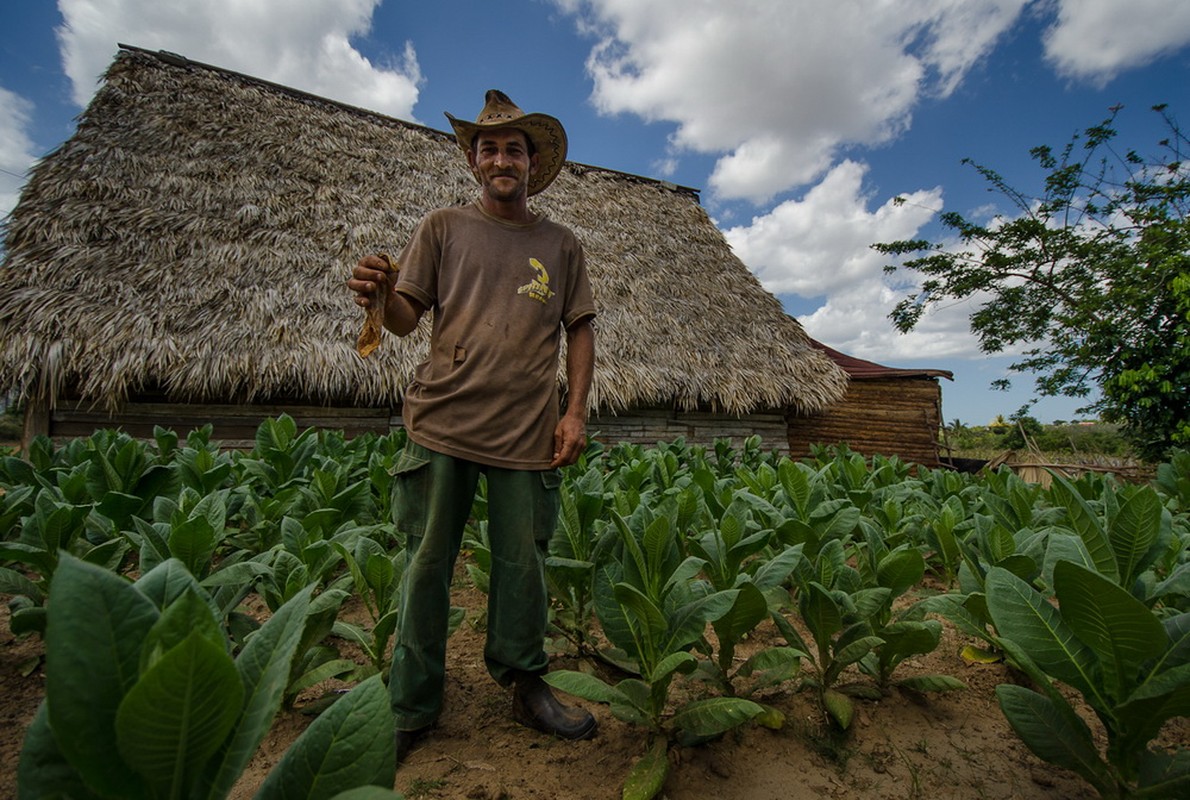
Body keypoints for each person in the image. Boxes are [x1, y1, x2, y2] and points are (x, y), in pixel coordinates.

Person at [347, 90, 598, 762]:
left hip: (526, 431)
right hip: (444, 422)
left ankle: (524, 683)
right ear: (473, 159)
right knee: (426, 567)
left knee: (524, 566)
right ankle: (410, 705)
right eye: (488, 147)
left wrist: (574, 411)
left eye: (514, 147)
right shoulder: (442, 229)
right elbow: (406, 318)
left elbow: (579, 330)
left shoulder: (561, 245)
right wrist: (379, 294)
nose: (501, 158)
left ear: (532, 160)